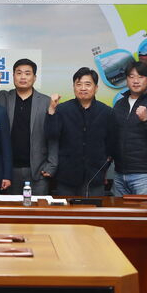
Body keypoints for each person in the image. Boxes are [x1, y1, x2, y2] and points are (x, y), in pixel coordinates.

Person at [0, 59, 57, 195]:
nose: (23, 77)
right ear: (13, 76)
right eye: (19, 73)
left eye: (27, 73)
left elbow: (53, 136)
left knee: (38, 208)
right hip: (7, 171)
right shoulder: (3, 97)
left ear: (34, 77)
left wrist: (51, 165)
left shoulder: (46, 102)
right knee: (8, 208)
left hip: (38, 170)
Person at [45, 67, 115, 197]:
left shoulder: (107, 112)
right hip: (66, 177)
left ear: (96, 88)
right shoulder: (62, 109)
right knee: (66, 209)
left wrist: (104, 168)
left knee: (93, 210)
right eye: (79, 84)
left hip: (95, 177)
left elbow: (111, 145)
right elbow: (51, 134)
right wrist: (52, 110)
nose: (83, 88)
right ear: (74, 87)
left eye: (87, 84)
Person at [111, 61, 147, 197]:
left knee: (146, 210)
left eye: (140, 76)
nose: (135, 81)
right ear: (126, 80)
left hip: (145, 175)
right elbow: (113, 136)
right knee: (119, 210)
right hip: (119, 173)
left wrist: (146, 120)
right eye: (131, 76)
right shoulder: (119, 104)